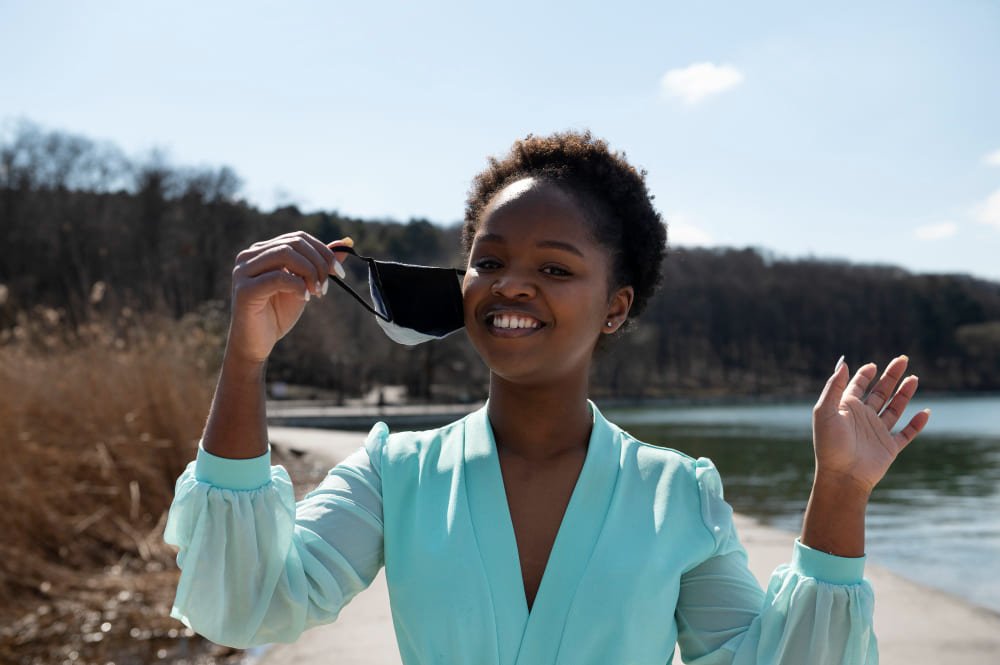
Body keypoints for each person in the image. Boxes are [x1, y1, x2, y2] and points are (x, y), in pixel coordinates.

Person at [165, 131, 929, 664]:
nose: (512, 285)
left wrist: (841, 489)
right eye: (489, 261)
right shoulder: (394, 473)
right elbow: (248, 602)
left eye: (556, 268)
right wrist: (246, 356)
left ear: (616, 306)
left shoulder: (677, 494)